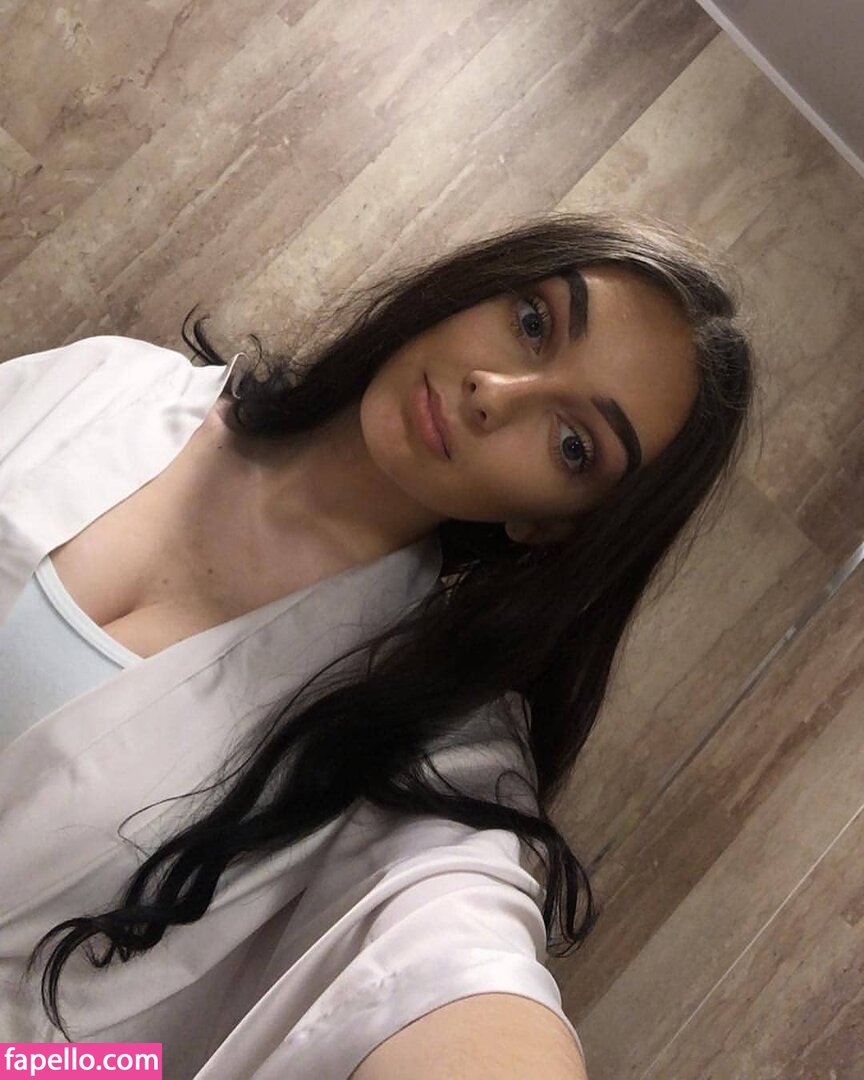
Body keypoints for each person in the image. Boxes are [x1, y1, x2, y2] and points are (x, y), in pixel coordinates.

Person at [0, 211, 755, 1078]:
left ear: (551, 523)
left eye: (573, 443)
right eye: (532, 321)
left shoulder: (423, 751)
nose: (495, 392)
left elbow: (449, 962)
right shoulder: (110, 384)